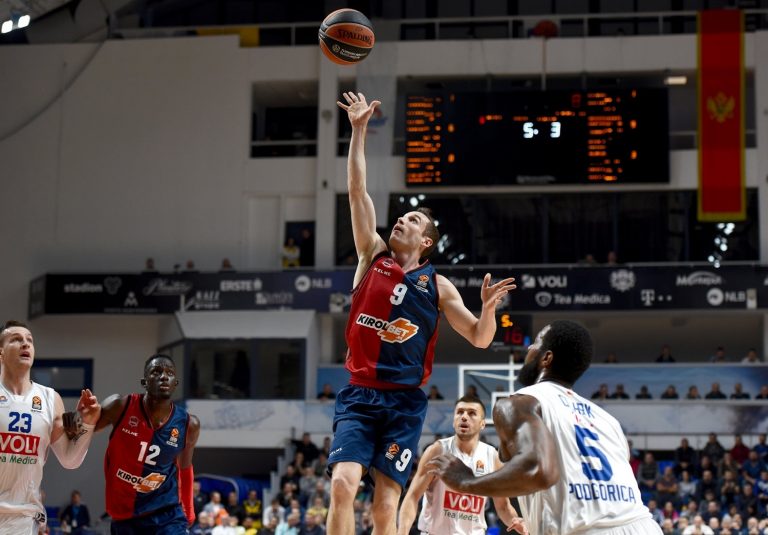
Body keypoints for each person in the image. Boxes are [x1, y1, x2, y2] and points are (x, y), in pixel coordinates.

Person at [326, 91, 516, 535]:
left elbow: (480, 338)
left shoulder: (439, 286)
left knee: (385, 505)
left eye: (412, 220)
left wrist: (488, 309)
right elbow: (356, 190)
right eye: (401, 217)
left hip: (404, 402)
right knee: (341, 485)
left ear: (426, 241)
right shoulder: (371, 255)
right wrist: (358, 131)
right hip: (360, 394)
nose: (401, 221)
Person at [427, 320, 663, 534]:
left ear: (546, 358)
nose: (529, 347)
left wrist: (466, 481)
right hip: (645, 526)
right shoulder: (608, 420)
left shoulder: (520, 402)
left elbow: (537, 470)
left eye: (536, 342)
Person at [0, 320, 100, 535]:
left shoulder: (50, 398)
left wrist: (88, 423)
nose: (25, 344)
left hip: (25, 520)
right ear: (1, 352)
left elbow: (70, 460)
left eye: (29, 340)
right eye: (16, 339)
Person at [94, 353, 200, 533]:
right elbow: (85, 429)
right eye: (156, 372)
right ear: (144, 382)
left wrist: (189, 511)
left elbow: (185, 468)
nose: (164, 376)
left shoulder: (189, 424)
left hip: (167, 514)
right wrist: (78, 418)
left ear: (175, 383)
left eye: (169, 373)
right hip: (125, 516)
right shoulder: (120, 406)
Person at [396, 396, 528, 535]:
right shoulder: (437, 451)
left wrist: (515, 520)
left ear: (483, 424)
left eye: (472, 413)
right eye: (460, 412)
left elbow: (503, 506)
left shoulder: (492, 456)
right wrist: (402, 532)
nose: (464, 417)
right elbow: (413, 497)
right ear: (454, 421)